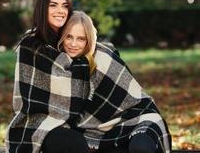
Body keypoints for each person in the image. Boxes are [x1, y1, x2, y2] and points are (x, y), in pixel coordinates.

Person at [57, 11, 172, 153]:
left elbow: (135, 99)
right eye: (69, 37)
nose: (73, 44)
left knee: (141, 147)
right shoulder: (58, 67)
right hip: (92, 132)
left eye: (81, 39)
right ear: (62, 37)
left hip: (135, 119)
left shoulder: (104, 58)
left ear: (89, 40)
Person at [5, 0, 91, 153]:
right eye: (53, 5)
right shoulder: (31, 44)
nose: (60, 11)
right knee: (75, 144)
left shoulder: (67, 42)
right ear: (43, 9)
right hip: (37, 122)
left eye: (65, 6)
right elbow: (70, 73)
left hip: (70, 121)